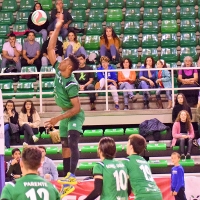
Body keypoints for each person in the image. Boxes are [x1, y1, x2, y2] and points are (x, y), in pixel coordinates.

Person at [45, 14, 85, 195]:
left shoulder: (72, 83)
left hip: (74, 114)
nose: (62, 60)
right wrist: (58, 26)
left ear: (69, 67)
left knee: (73, 141)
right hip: (64, 114)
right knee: (64, 145)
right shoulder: (59, 70)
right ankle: (66, 176)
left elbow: (76, 108)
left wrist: (56, 118)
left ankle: (73, 174)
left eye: (66, 60)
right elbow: (50, 47)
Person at [123, 134, 162, 200]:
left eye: (127, 143)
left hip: (144, 196)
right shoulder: (144, 161)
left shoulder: (127, 161)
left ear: (131, 147)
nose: (126, 145)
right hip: (157, 194)